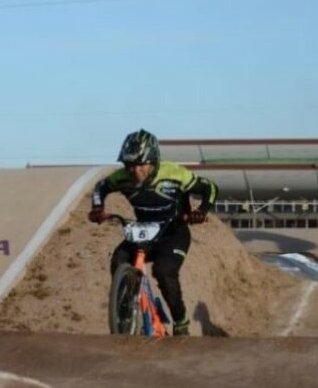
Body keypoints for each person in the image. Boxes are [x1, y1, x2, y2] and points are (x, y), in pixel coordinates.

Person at [87, 129, 219, 336]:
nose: (134, 170)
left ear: (153, 161)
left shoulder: (175, 173)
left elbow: (209, 188)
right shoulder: (122, 178)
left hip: (173, 233)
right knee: (119, 260)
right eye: (129, 165)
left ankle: (181, 322)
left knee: (164, 272)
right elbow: (100, 187)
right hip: (144, 231)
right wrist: (97, 208)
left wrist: (201, 212)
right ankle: (126, 314)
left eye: (140, 164)